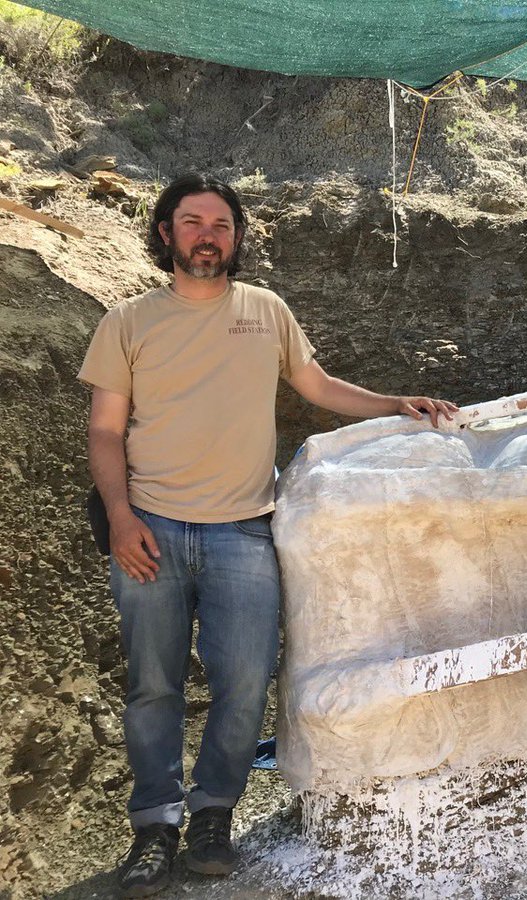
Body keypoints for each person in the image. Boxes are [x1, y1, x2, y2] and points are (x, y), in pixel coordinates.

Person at [79, 173, 457, 897]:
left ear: (237, 238)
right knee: (152, 685)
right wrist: (121, 518)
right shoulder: (126, 321)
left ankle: (213, 812)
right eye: (191, 222)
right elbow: (103, 431)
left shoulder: (266, 311)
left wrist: (393, 405)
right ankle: (155, 827)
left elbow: (316, 385)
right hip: (148, 530)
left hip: (244, 532)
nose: (207, 235)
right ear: (166, 234)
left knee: (246, 682)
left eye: (221, 224)